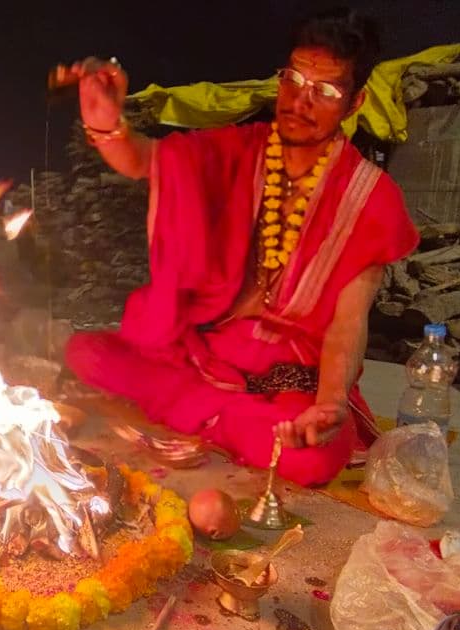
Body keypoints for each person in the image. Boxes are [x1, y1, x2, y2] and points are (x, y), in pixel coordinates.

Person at [56, 8, 419, 486]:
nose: (299, 101)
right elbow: (149, 160)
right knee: (87, 352)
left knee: (313, 457)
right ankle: (228, 418)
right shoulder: (242, 149)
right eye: (293, 79)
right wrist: (105, 123)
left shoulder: (371, 198)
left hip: (295, 375)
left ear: (354, 103)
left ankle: (207, 415)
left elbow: (348, 324)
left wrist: (330, 402)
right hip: (209, 352)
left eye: (325, 90)